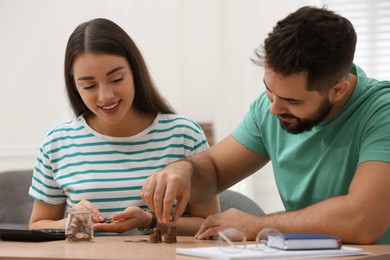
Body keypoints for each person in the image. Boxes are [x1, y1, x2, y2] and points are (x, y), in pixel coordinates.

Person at [141, 6, 390, 244]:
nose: (274, 109)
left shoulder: (382, 112)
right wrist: (183, 171)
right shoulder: (269, 108)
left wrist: (255, 225)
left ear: (337, 90)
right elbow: (214, 171)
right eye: (269, 90)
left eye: (292, 100)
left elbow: (364, 219)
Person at [28, 18, 220, 236]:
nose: (105, 96)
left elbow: (210, 224)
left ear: (135, 72)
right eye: (89, 86)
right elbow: (37, 224)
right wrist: (76, 221)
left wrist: (150, 220)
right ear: (75, 86)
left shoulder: (184, 135)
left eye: (117, 79)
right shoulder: (58, 142)